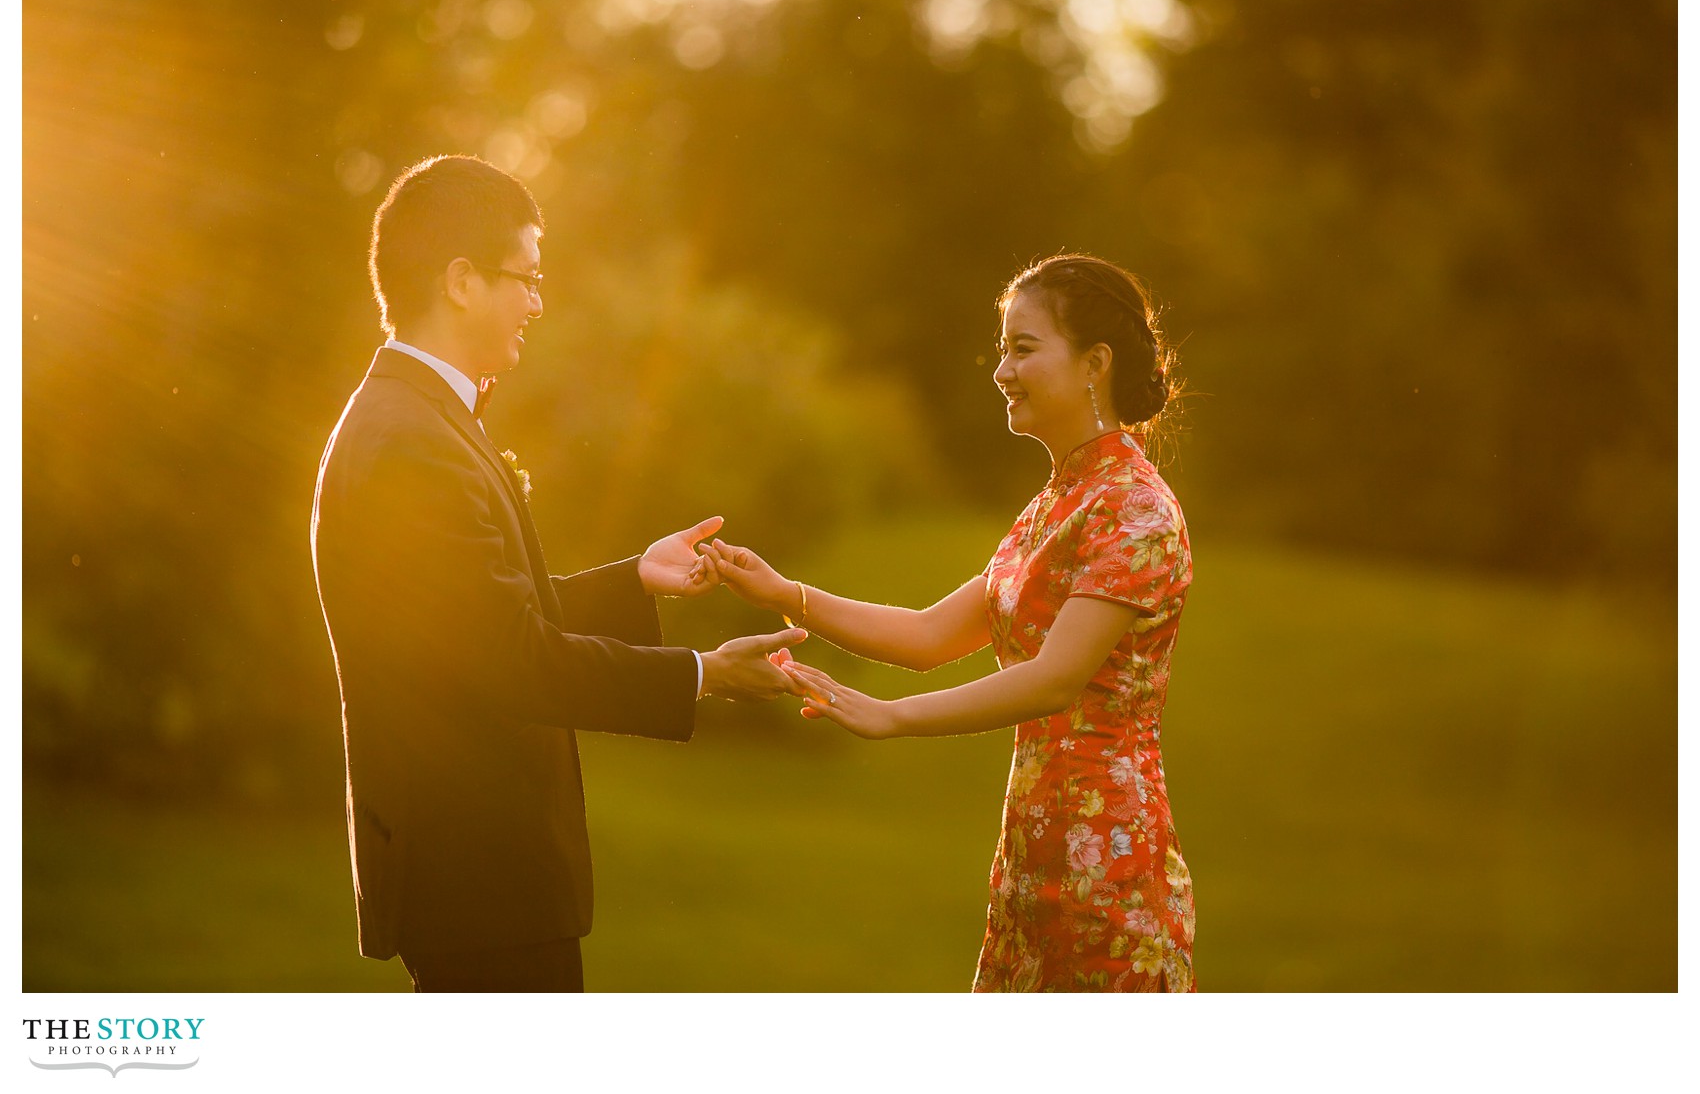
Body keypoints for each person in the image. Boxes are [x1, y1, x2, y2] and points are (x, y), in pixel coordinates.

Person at [310, 154, 804, 992]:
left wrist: (634, 581)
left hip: (481, 881)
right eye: (525, 278)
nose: (538, 302)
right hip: (478, 879)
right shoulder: (410, 446)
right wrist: (702, 676)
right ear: (461, 281)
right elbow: (507, 659)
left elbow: (470, 624)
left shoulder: (418, 418)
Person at [705, 253, 1195, 992]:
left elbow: (1056, 678)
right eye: (1003, 349)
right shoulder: (1054, 504)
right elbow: (930, 634)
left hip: (1110, 870)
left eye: (1022, 349)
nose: (1001, 370)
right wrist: (785, 591)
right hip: (1034, 859)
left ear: (1096, 363)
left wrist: (891, 716)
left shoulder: (1134, 507)